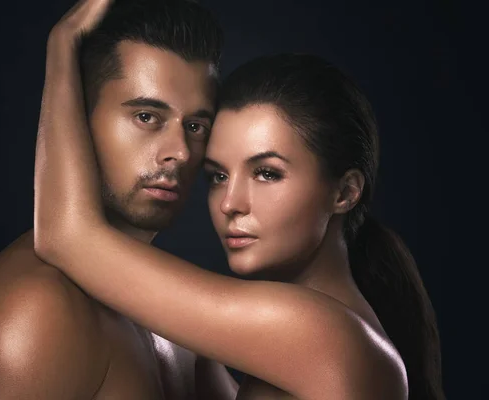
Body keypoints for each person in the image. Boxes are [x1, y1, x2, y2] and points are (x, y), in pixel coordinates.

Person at [33, 3, 445, 400]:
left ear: (344, 193)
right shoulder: (322, 333)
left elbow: (66, 237)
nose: (230, 203)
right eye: (218, 175)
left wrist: (63, 44)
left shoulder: (319, 333)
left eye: (267, 173)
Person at [0, 0, 240, 398]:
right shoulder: (36, 309)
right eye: (146, 117)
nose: (180, 151)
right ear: (77, 115)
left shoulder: (175, 317)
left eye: (196, 126)